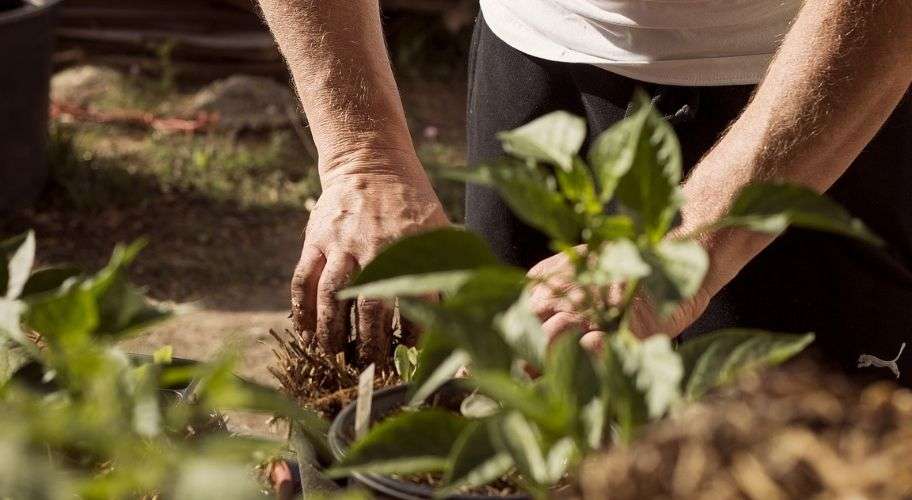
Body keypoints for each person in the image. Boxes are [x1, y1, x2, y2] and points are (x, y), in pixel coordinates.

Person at [257, 0, 912, 384]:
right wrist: (362, 156)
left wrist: (690, 242)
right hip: (533, 63)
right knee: (517, 425)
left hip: (819, 95)